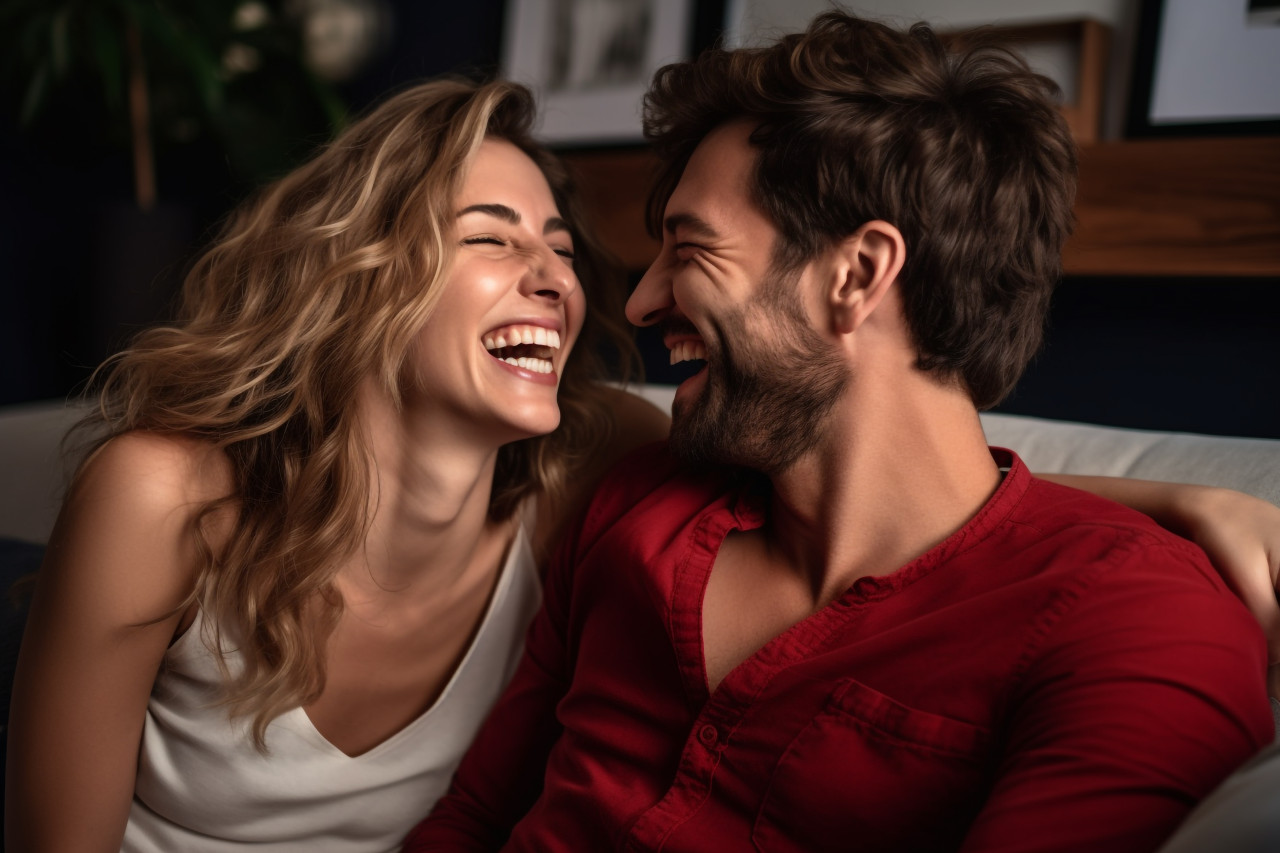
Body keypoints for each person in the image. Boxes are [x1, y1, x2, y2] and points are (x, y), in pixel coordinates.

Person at [404, 13, 1276, 852]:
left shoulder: (1139, 626)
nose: (639, 303)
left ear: (856, 275)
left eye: (692, 250)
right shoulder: (638, 504)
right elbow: (475, 819)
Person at [4, 78, 669, 851]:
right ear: (357, 273)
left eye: (561, 249)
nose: (556, 278)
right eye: (492, 237)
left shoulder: (598, 468)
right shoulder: (163, 497)